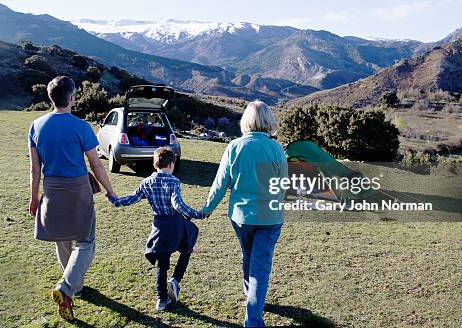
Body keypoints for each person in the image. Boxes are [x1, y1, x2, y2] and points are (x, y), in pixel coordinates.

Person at [27, 76, 117, 321]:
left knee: (62, 237)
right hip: (78, 189)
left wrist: (34, 198)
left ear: (50, 97)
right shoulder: (81, 127)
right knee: (86, 241)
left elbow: (35, 169)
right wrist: (109, 190)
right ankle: (66, 288)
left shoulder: (36, 125)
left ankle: (74, 286)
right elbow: (96, 165)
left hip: (52, 188)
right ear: (72, 97)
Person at [200, 100, 287, 327]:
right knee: (260, 265)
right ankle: (253, 318)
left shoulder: (235, 146)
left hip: (241, 217)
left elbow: (220, 183)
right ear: (268, 120)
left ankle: (252, 297)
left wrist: (208, 208)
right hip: (270, 217)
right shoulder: (276, 148)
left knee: (248, 256)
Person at [108, 147, 205, 311]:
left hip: (159, 226)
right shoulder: (174, 181)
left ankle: (161, 299)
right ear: (172, 164)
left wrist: (114, 200)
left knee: (162, 261)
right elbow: (178, 205)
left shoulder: (146, 182)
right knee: (188, 246)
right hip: (176, 225)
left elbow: (131, 199)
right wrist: (198, 214)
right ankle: (175, 280)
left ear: (155, 165)